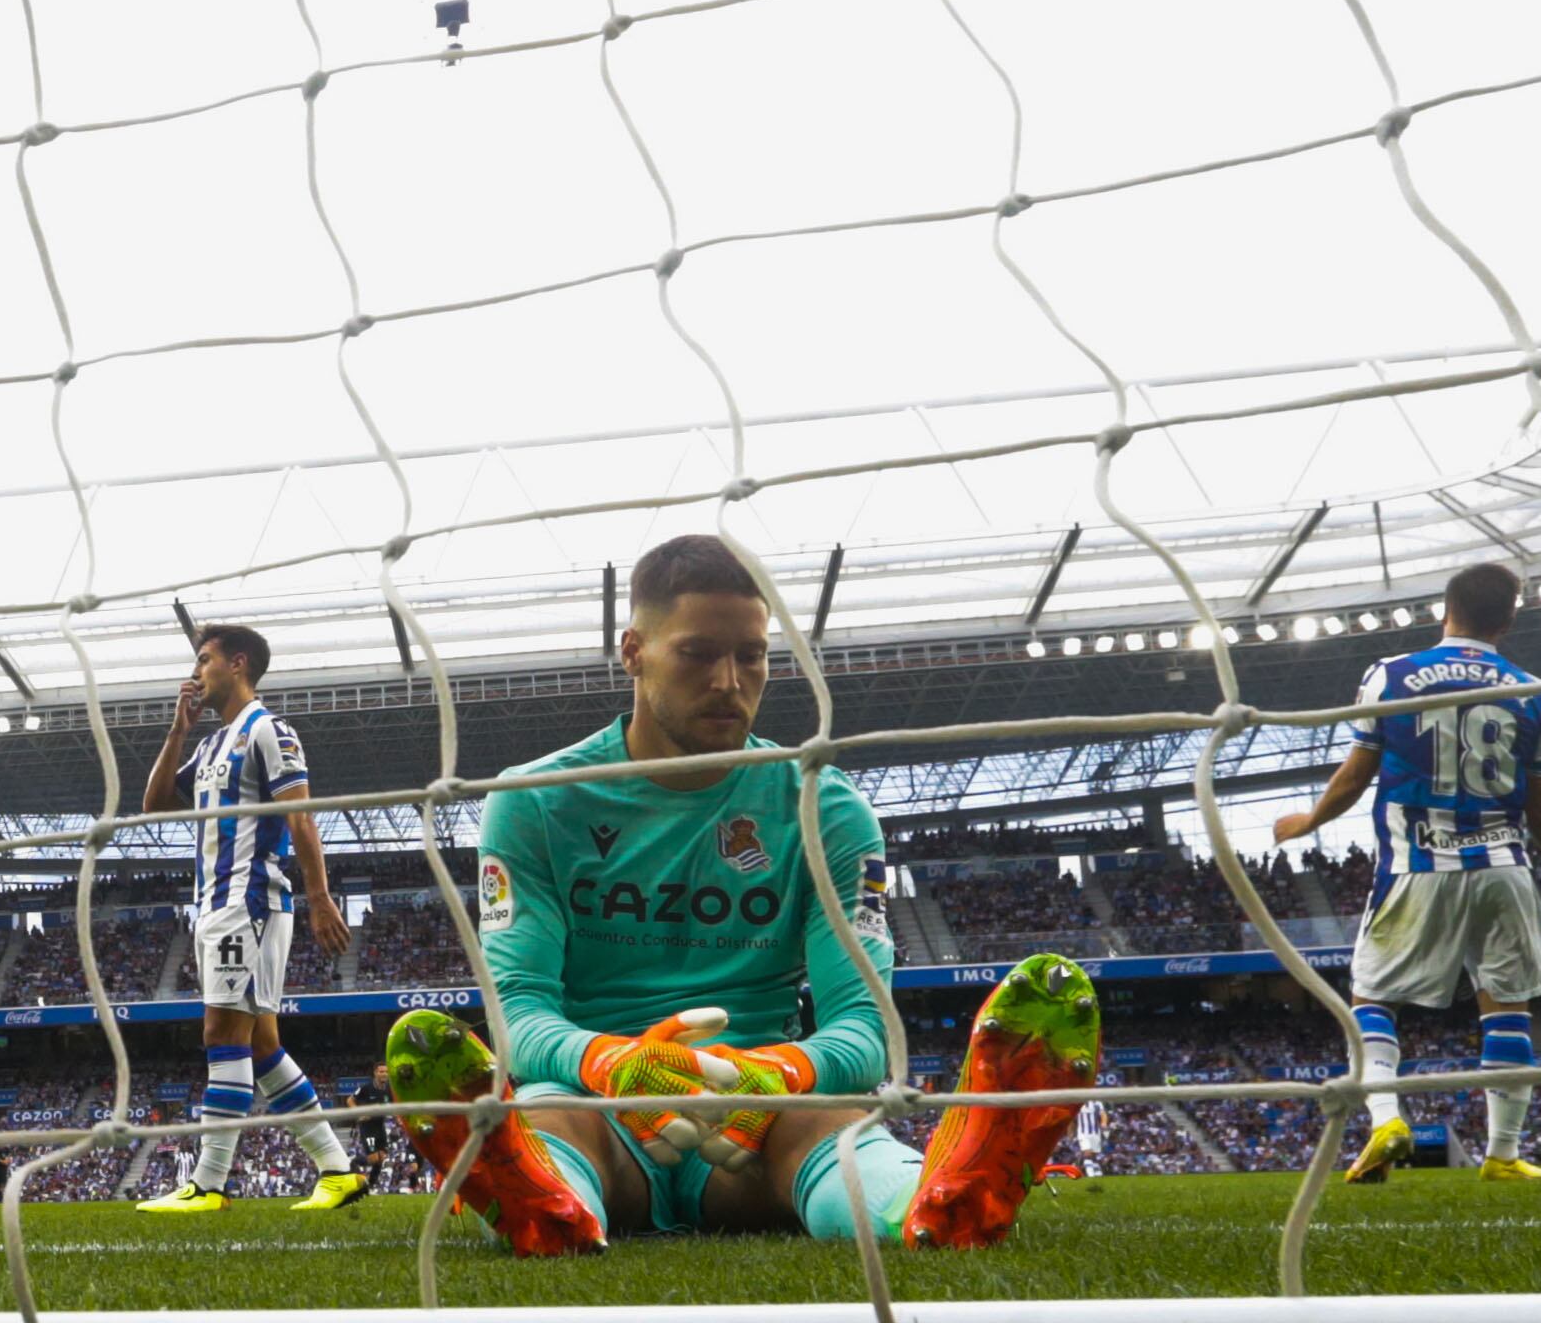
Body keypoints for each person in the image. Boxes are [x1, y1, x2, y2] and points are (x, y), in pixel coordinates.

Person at [401, 531, 1088, 1257]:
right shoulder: (534, 801)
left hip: (754, 1118)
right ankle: (547, 1201)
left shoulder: (825, 808)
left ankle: (925, 1205)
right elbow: (519, 1015)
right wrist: (612, 1062)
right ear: (634, 651)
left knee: (828, 1119)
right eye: (698, 654)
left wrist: (777, 1071)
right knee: (546, 1118)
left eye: (752, 655)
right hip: (601, 1105)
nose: (730, 680)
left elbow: (864, 1026)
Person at [1271, 562, 1541, 1186]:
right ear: (1508, 617)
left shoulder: (1390, 675)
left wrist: (1308, 821)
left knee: (1371, 996)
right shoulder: (1531, 689)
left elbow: (1357, 773)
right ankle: (1503, 1154)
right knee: (1506, 1005)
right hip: (1505, 867)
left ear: (1443, 608)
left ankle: (1386, 1118)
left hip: (1417, 863)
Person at [131, 621, 361, 1212]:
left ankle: (208, 1183)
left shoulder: (269, 730)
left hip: (250, 901)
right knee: (260, 1047)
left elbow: (300, 816)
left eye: (203, 659)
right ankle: (336, 1170)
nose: (195, 671)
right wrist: (177, 732)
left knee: (220, 1033)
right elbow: (154, 804)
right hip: (214, 906)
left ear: (237, 664)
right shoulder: (210, 745)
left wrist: (319, 896)